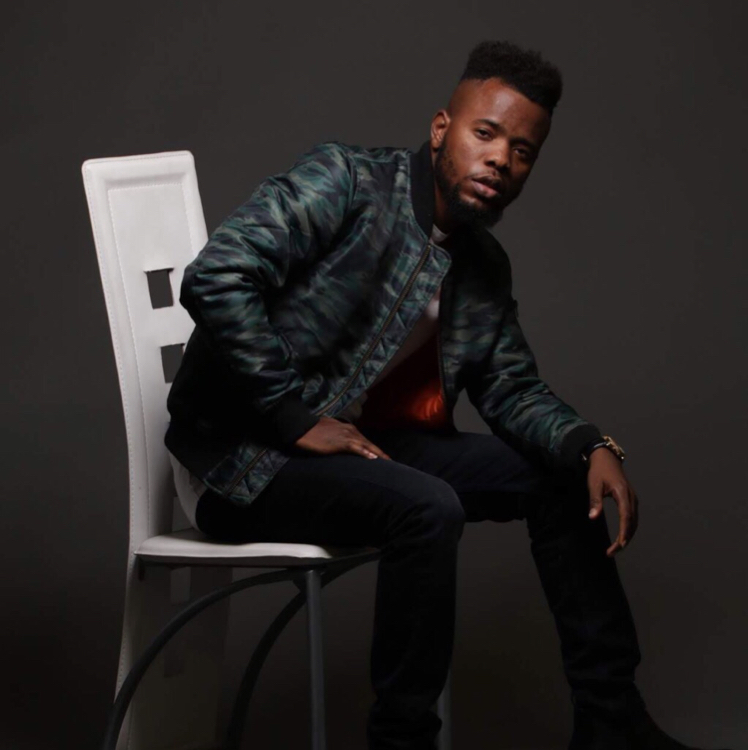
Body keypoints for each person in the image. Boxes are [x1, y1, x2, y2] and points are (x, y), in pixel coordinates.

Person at [164, 40, 729, 750]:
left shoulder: (482, 265)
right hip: (240, 460)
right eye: (484, 133)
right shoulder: (345, 181)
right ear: (441, 129)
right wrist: (290, 414)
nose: (500, 160)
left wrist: (590, 445)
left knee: (561, 477)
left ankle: (610, 720)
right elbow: (216, 275)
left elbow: (510, 387)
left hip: (356, 448)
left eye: (521, 151)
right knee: (428, 507)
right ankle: (402, 740)